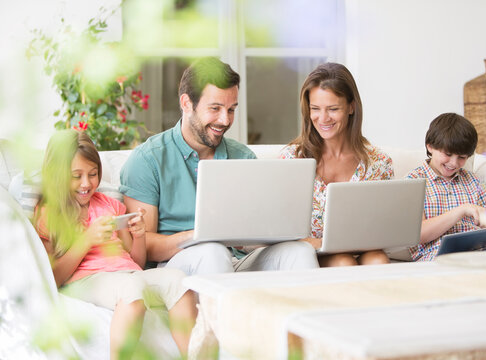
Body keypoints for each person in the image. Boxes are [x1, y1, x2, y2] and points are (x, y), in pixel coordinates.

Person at [120, 57, 319, 275]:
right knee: (212, 251)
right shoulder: (148, 160)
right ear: (186, 103)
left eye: (231, 109)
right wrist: (199, 235)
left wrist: (265, 235)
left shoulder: (243, 157)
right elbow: (142, 244)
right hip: (177, 263)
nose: (224, 120)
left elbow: (256, 232)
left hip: (237, 259)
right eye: (215, 108)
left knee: (300, 252)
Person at [34, 130, 197, 359]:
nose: (86, 183)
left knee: (179, 280)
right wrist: (87, 239)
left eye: (93, 174)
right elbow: (54, 278)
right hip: (87, 279)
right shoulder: (50, 213)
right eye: (76, 176)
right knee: (132, 288)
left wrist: (139, 235)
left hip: (127, 274)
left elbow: (136, 262)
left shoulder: (109, 205)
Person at [280, 62, 393, 267]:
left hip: (362, 249)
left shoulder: (379, 163)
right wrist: (320, 243)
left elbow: (384, 226)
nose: (323, 118)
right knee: (343, 262)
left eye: (333, 109)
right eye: (315, 109)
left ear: (351, 107)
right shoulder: (292, 159)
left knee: (378, 260)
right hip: (311, 253)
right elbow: (278, 227)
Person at [406, 113, 486, 261]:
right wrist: (461, 211)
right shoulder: (413, 182)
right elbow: (419, 235)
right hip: (438, 256)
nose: (454, 163)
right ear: (430, 147)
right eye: (448, 154)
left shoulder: (473, 181)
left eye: (462, 157)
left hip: (481, 253)